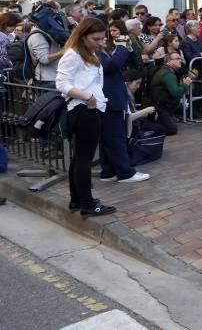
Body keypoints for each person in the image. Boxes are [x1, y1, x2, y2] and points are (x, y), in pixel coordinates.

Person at [55, 18, 116, 217]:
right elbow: (62, 83)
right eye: (96, 38)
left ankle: (78, 200)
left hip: (90, 108)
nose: (100, 42)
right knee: (84, 158)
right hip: (83, 109)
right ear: (83, 36)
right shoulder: (73, 55)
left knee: (80, 158)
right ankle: (87, 204)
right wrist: (87, 97)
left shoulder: (88, 53)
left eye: (102, 38)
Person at [99, 29, 150, 183]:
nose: (105, 39)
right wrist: (121, 46)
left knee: (108, 138)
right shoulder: (94, 53)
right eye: (100, 37)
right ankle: (125, 173)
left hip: (109, 98)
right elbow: (112, 65)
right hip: (109, 99)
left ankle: (109, 171)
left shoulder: (98, 52)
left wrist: (123, 47)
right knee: (116, 137)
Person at [146, 52, 192, 135]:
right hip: (160, 107)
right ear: (168, 61)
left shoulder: (166, 70)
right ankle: (146, 126)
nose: (180, 61)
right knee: (171, 129)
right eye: (177, 59)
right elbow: (176, 92)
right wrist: (185, 85)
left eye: (180, 59)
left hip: (163, 105)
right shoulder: (168, 74)